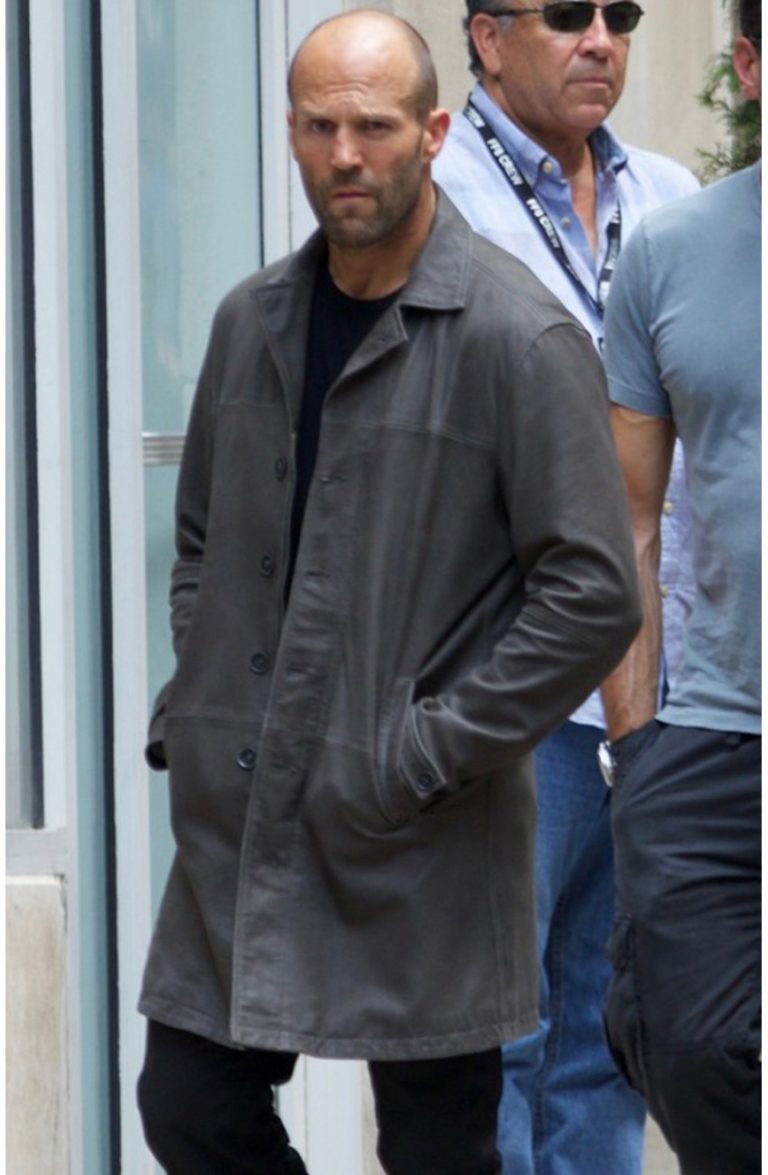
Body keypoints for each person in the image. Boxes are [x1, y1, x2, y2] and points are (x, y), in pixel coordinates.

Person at [135, 10, 642, 1174]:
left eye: (373, 126)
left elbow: (592, 590)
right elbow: (203, 538)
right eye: (320, 127)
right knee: (188, 1104)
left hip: (425, 830)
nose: (346, 155)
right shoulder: (251, 321)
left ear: (434, 131)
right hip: (245, 809)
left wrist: (424, 749)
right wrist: (202, 703)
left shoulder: (519, 336)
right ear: (291, 134)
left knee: (439, 1149)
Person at [433, 5, 698, 1173]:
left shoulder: (673, 197)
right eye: (566, 15)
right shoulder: (434, 197)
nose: (601, 40)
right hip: (507, 696)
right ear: (489, 38)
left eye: (621, 15)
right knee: (495, 1040)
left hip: (656, 698)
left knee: (614, 1034)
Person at [599, 3, 761, 1171]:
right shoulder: (668, 254)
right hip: (713, 731)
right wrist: (635, 741)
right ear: (750, 68)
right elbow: (630, 518)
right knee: (689, 1044)